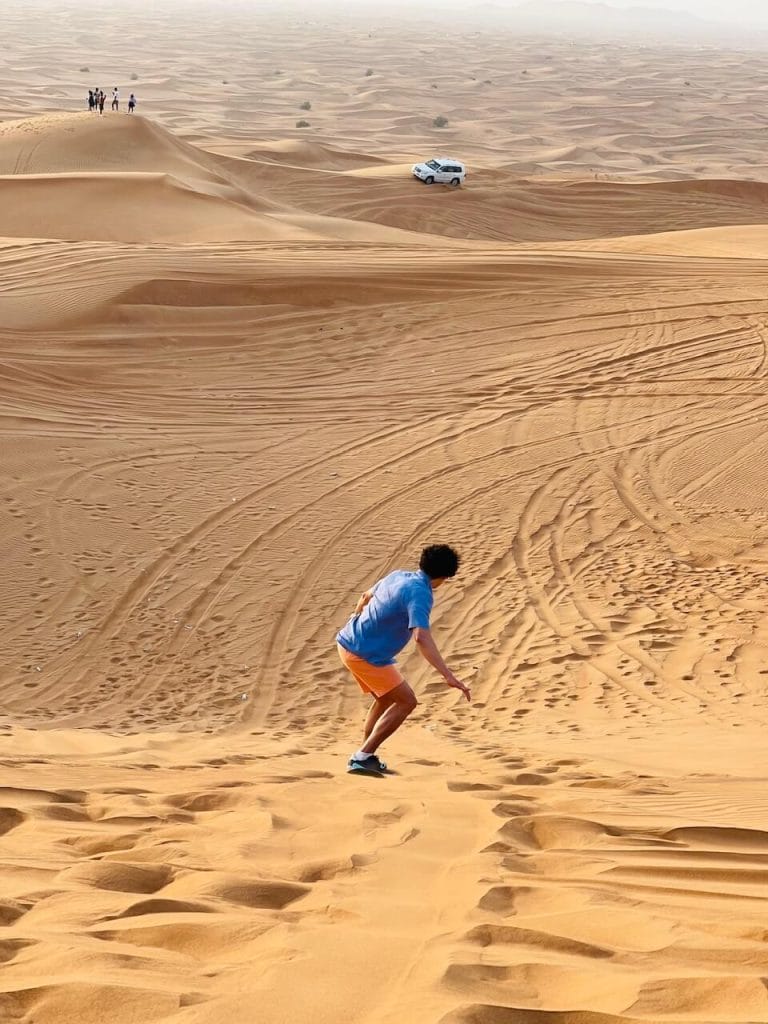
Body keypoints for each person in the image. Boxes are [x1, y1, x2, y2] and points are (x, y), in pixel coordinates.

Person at [337, 544, 470, 776]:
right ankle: (361, 757)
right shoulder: (420, 593)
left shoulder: (398, 575)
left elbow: (364, 597)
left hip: (348, 642)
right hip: (364, 654)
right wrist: (448, 675)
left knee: (386, 698)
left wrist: (355, 618)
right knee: (407, 702)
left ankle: (366, 753)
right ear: (444, 576)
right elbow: (421, 637)